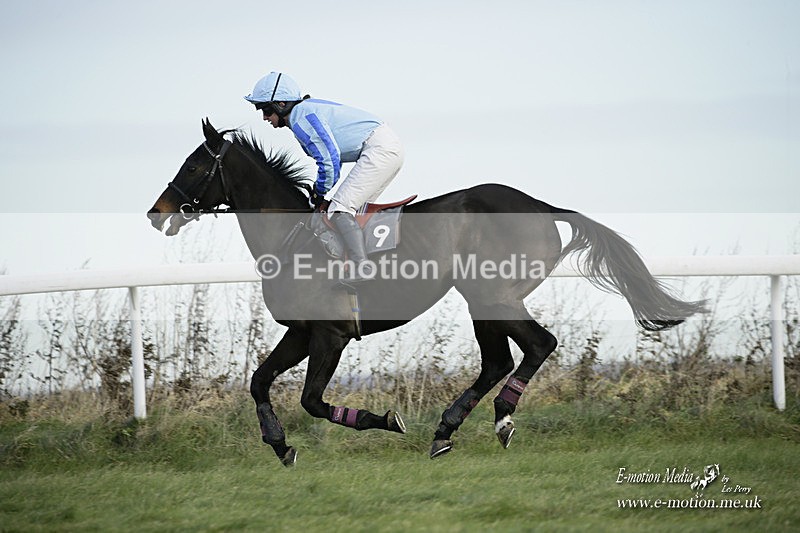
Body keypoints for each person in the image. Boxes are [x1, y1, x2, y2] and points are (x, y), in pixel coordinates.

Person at [245, 71, 404, 282]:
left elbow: (329, 161)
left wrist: (320, 191)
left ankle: (362, 268)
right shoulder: (303, 113)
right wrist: (320, 189)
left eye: (265, 109)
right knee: (352, 213)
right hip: (385, 148)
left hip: (379, 149)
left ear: (281, 104)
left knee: (339, 209)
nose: (264, 117)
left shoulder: (301, 116)